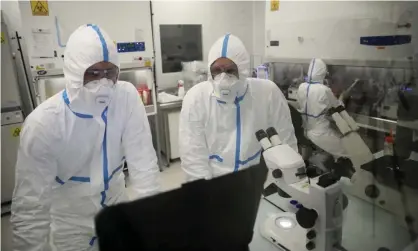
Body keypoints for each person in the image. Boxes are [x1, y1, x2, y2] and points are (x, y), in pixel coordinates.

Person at [11, 24, 160, 251]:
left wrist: (152, 221)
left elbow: (144, 165)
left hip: (117, 211)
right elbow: (31, 209)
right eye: (92, 73)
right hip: (71, 226)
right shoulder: (43, 124)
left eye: (110, 72)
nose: (103, 83)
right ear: (73, 71)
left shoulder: (126, 97)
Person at [179, 34, 297, 181]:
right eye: (216, 70)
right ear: (209, 71)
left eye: (230, 71)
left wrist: (290, 176)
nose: (222, 78)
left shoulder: (267, 92)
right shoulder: (196, 98)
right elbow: (193, 156)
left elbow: (286, 138)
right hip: (214, 180)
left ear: (243, 70)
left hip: (253, 178)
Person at [296, 58, 349, 160]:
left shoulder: (301, 87)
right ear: (323, 72)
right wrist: (343, 96)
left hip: (306, 131)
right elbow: (338, 107)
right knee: (348, 152)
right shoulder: (324, 90)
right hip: (320, 133)